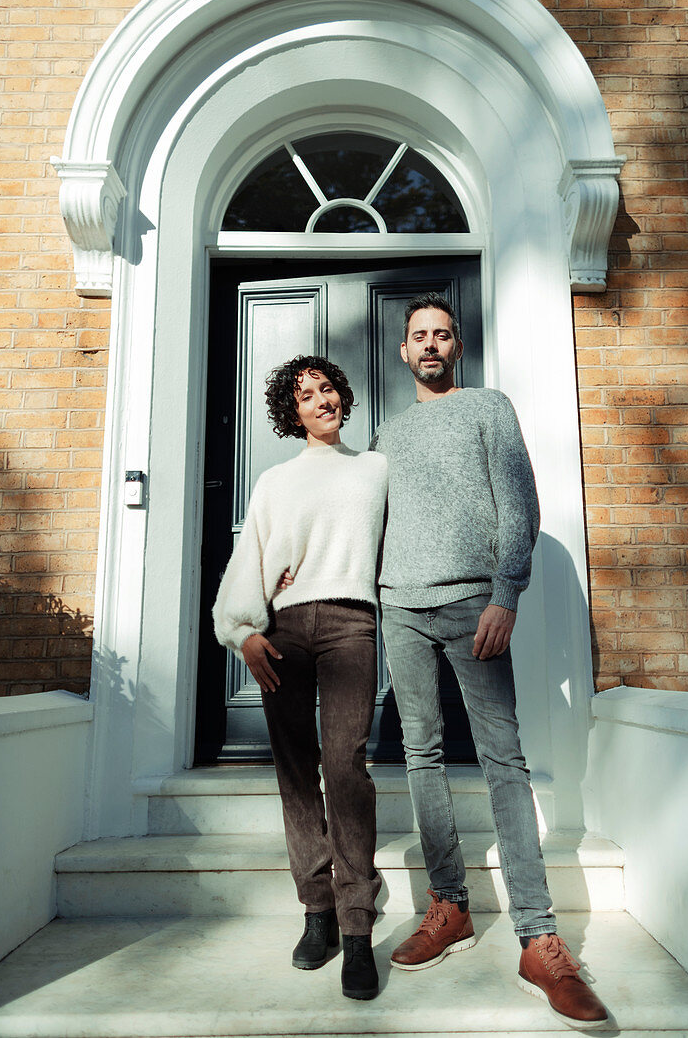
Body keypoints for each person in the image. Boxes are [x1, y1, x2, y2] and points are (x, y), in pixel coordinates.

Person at [369, 292, 609, 1029]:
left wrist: (506, 594)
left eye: (443, 333)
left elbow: (519, 505)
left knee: (503, 760)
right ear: (404, 352)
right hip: (399, 607)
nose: (432, 344)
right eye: (419, 336)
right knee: (421, 754)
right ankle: (450, 907)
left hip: (475, 603)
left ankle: (539, 938)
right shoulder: (388, 432)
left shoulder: (489, 408)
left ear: (457, 347)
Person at [212, 355, 387, 1001]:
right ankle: (317, 914)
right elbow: (250, 558)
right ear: (292, 413)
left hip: (351, 624)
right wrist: (243, 631)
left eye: (327, 388)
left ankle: (357, 926)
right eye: (306, 395)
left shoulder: (376, 469)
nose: (321, 399)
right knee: (295, 768)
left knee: (344, 765)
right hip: (283, 631)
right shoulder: (275, 481)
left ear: (343, 395)